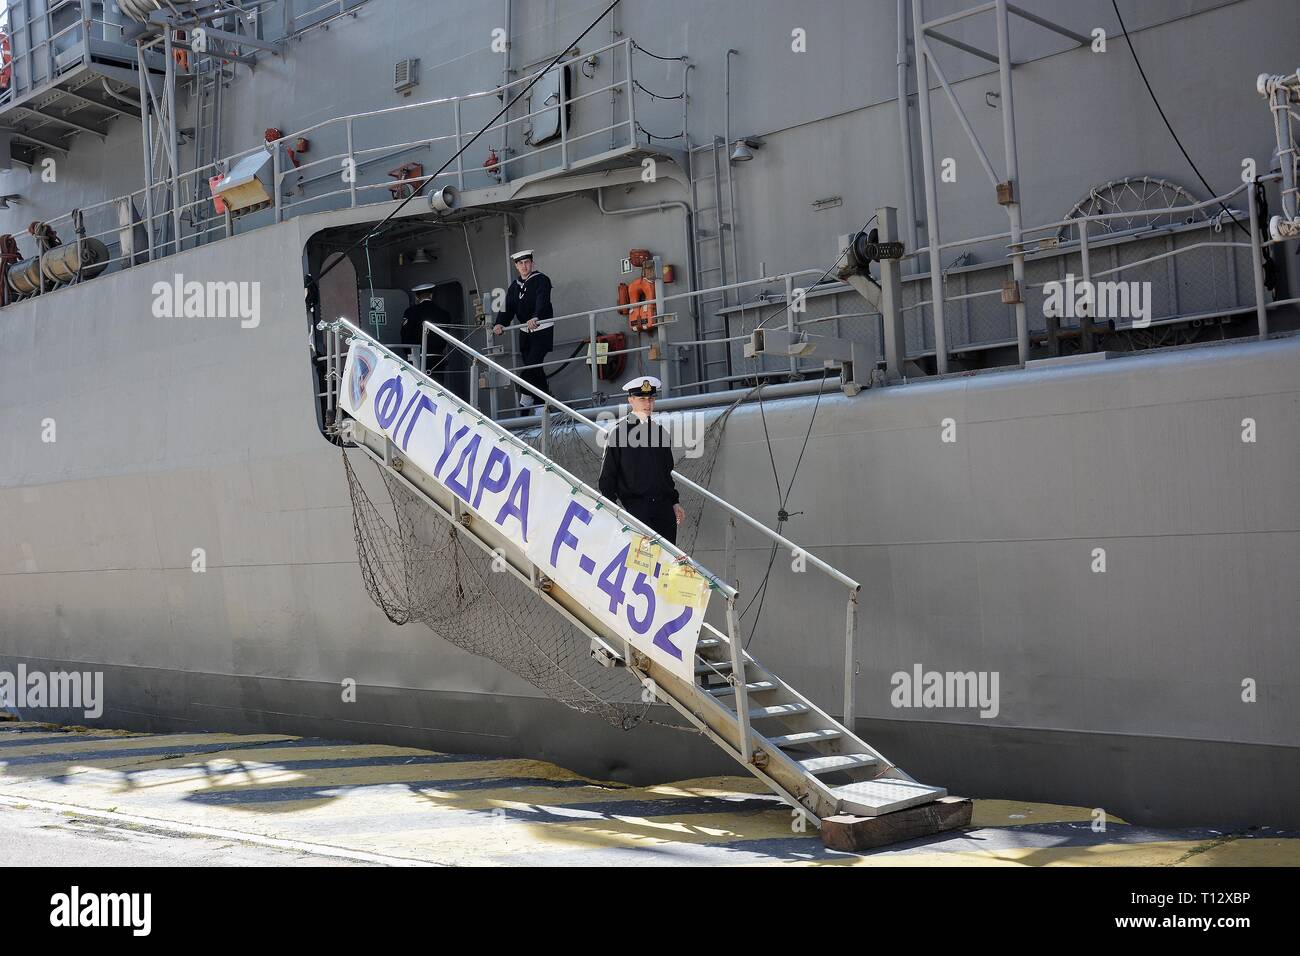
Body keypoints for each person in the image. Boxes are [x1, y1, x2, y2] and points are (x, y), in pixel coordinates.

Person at [598, 375, 686, 546]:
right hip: (636, 509)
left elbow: (665, 473)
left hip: (664, 509)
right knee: (642, 566)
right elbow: (607, 478)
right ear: (631, 400)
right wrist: (614, 512)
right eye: (642, 398)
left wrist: (674, 502)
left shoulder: (660, 433)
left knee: (666, 566)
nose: (648, 404)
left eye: (651, 398)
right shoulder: (618, 433)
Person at [491, 249, 554, 413]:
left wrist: (536, 317)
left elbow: (543, 300)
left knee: (531, 366)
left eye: (527, 262)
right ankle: (542, 406)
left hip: (541, 330)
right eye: (520, 263)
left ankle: (525, 400)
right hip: (525, 334)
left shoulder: (541, 280)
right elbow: (508, 307)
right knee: (536, 369)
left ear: (532, 263)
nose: (524, 266)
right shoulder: (514, 286)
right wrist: (500, 324)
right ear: (516, 266)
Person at [400, 282, 450, 381]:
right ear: (431, 295)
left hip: (416, 359)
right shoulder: (444, 314)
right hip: (437, 359)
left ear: (417, 297)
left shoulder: (410, 312)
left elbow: (405, 334)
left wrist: (408, 353)